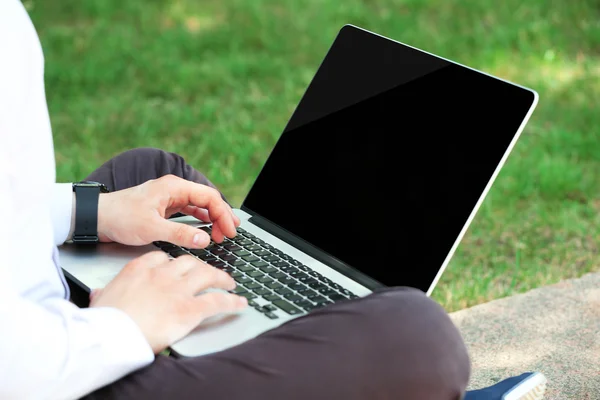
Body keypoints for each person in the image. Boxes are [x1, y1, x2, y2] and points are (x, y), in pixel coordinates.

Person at [0, 1, 545, 399]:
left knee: (152, 176)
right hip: (50, 375)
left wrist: (86, 212)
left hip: (38, 327)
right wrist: (121, 326)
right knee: (419, 335)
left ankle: (275, 354)